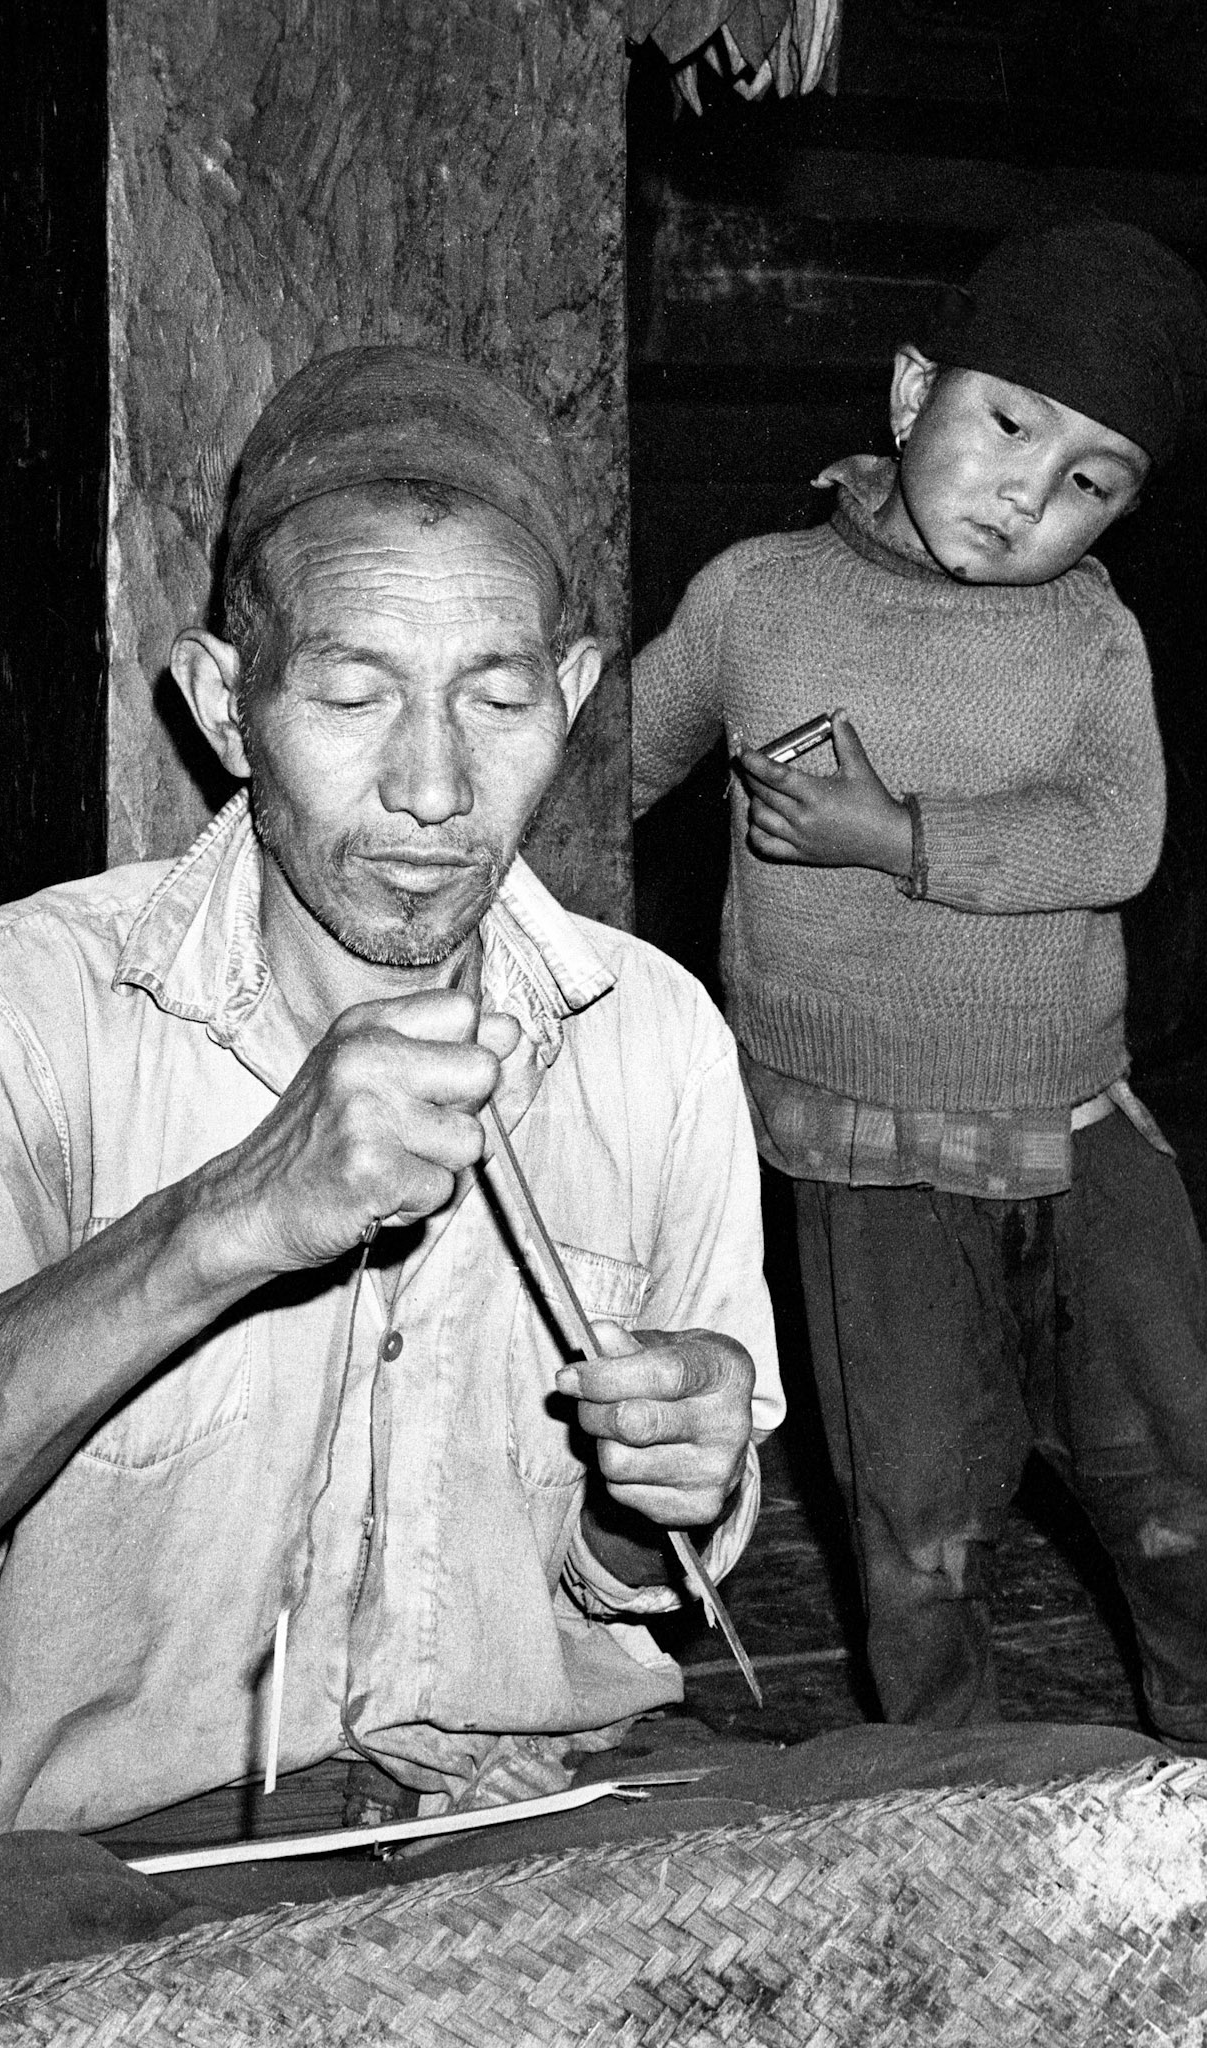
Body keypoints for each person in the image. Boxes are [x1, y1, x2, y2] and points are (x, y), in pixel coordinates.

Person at [0, 345, 783, 1988]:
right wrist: (225, 1218)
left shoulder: (648, 1032)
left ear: (582, 692)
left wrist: (653, 1491)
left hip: (555, 1817)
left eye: (497, 695)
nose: (433, 789)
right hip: (116, 1876)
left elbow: (637, 1584)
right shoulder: (19, 1013)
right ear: (220, 701)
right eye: (348, 694)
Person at [632, 217, 1207, 1740]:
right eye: (1006, 423)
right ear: (908, 394)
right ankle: (937, 1818)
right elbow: (607, 762)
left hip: (1073, 1130)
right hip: (859, 1151)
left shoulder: (1091, 639)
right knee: (915, 1522)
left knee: (1176, 1483)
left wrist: (893, 833)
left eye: (1091, 479)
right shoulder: (757, 597)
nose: (1029, 492)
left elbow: (1117, 833)